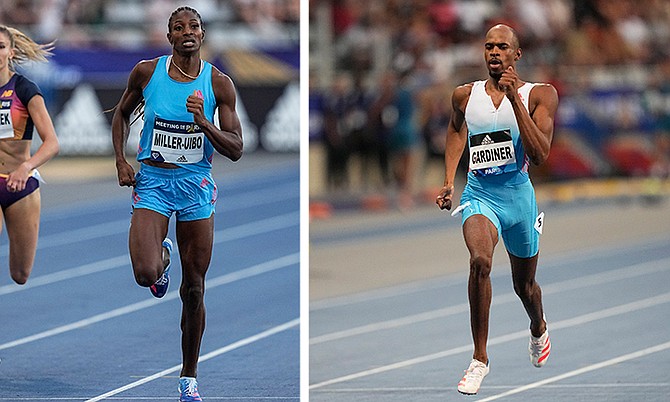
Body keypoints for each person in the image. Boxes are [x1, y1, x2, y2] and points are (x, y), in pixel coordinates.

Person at [111, 6, 243, 402]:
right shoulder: (146, 72)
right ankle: (162, 259)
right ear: (169, 37)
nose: (187, 32)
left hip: (195, 185)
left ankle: (188, 377)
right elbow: (120, 114)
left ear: (203, 35)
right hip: (152, 180)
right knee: (145, 272)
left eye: (194, 26)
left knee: (195, 290)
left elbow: (236, 149)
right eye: (178, 27)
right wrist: (120, 159)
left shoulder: (219, 84)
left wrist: (205, 123)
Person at [436, 24, 557, 395]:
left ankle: (538, 326)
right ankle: (479, 359)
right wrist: (448, 179)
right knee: (480, 262)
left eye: (502, 47)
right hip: (479, 195)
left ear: (516, 54)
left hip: (519, 199)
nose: (493, 52)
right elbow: (457, 130)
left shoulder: (540, 94)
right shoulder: (463, 95)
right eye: (489, 46)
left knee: (525, 286)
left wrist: (514, 99)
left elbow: (539, 155)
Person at [0, 25, 59, 285]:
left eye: (0, 47)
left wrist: (26, 167)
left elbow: (52, 142)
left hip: (20, 185)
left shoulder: (25, 89)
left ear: (11, 52)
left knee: (20, 274)